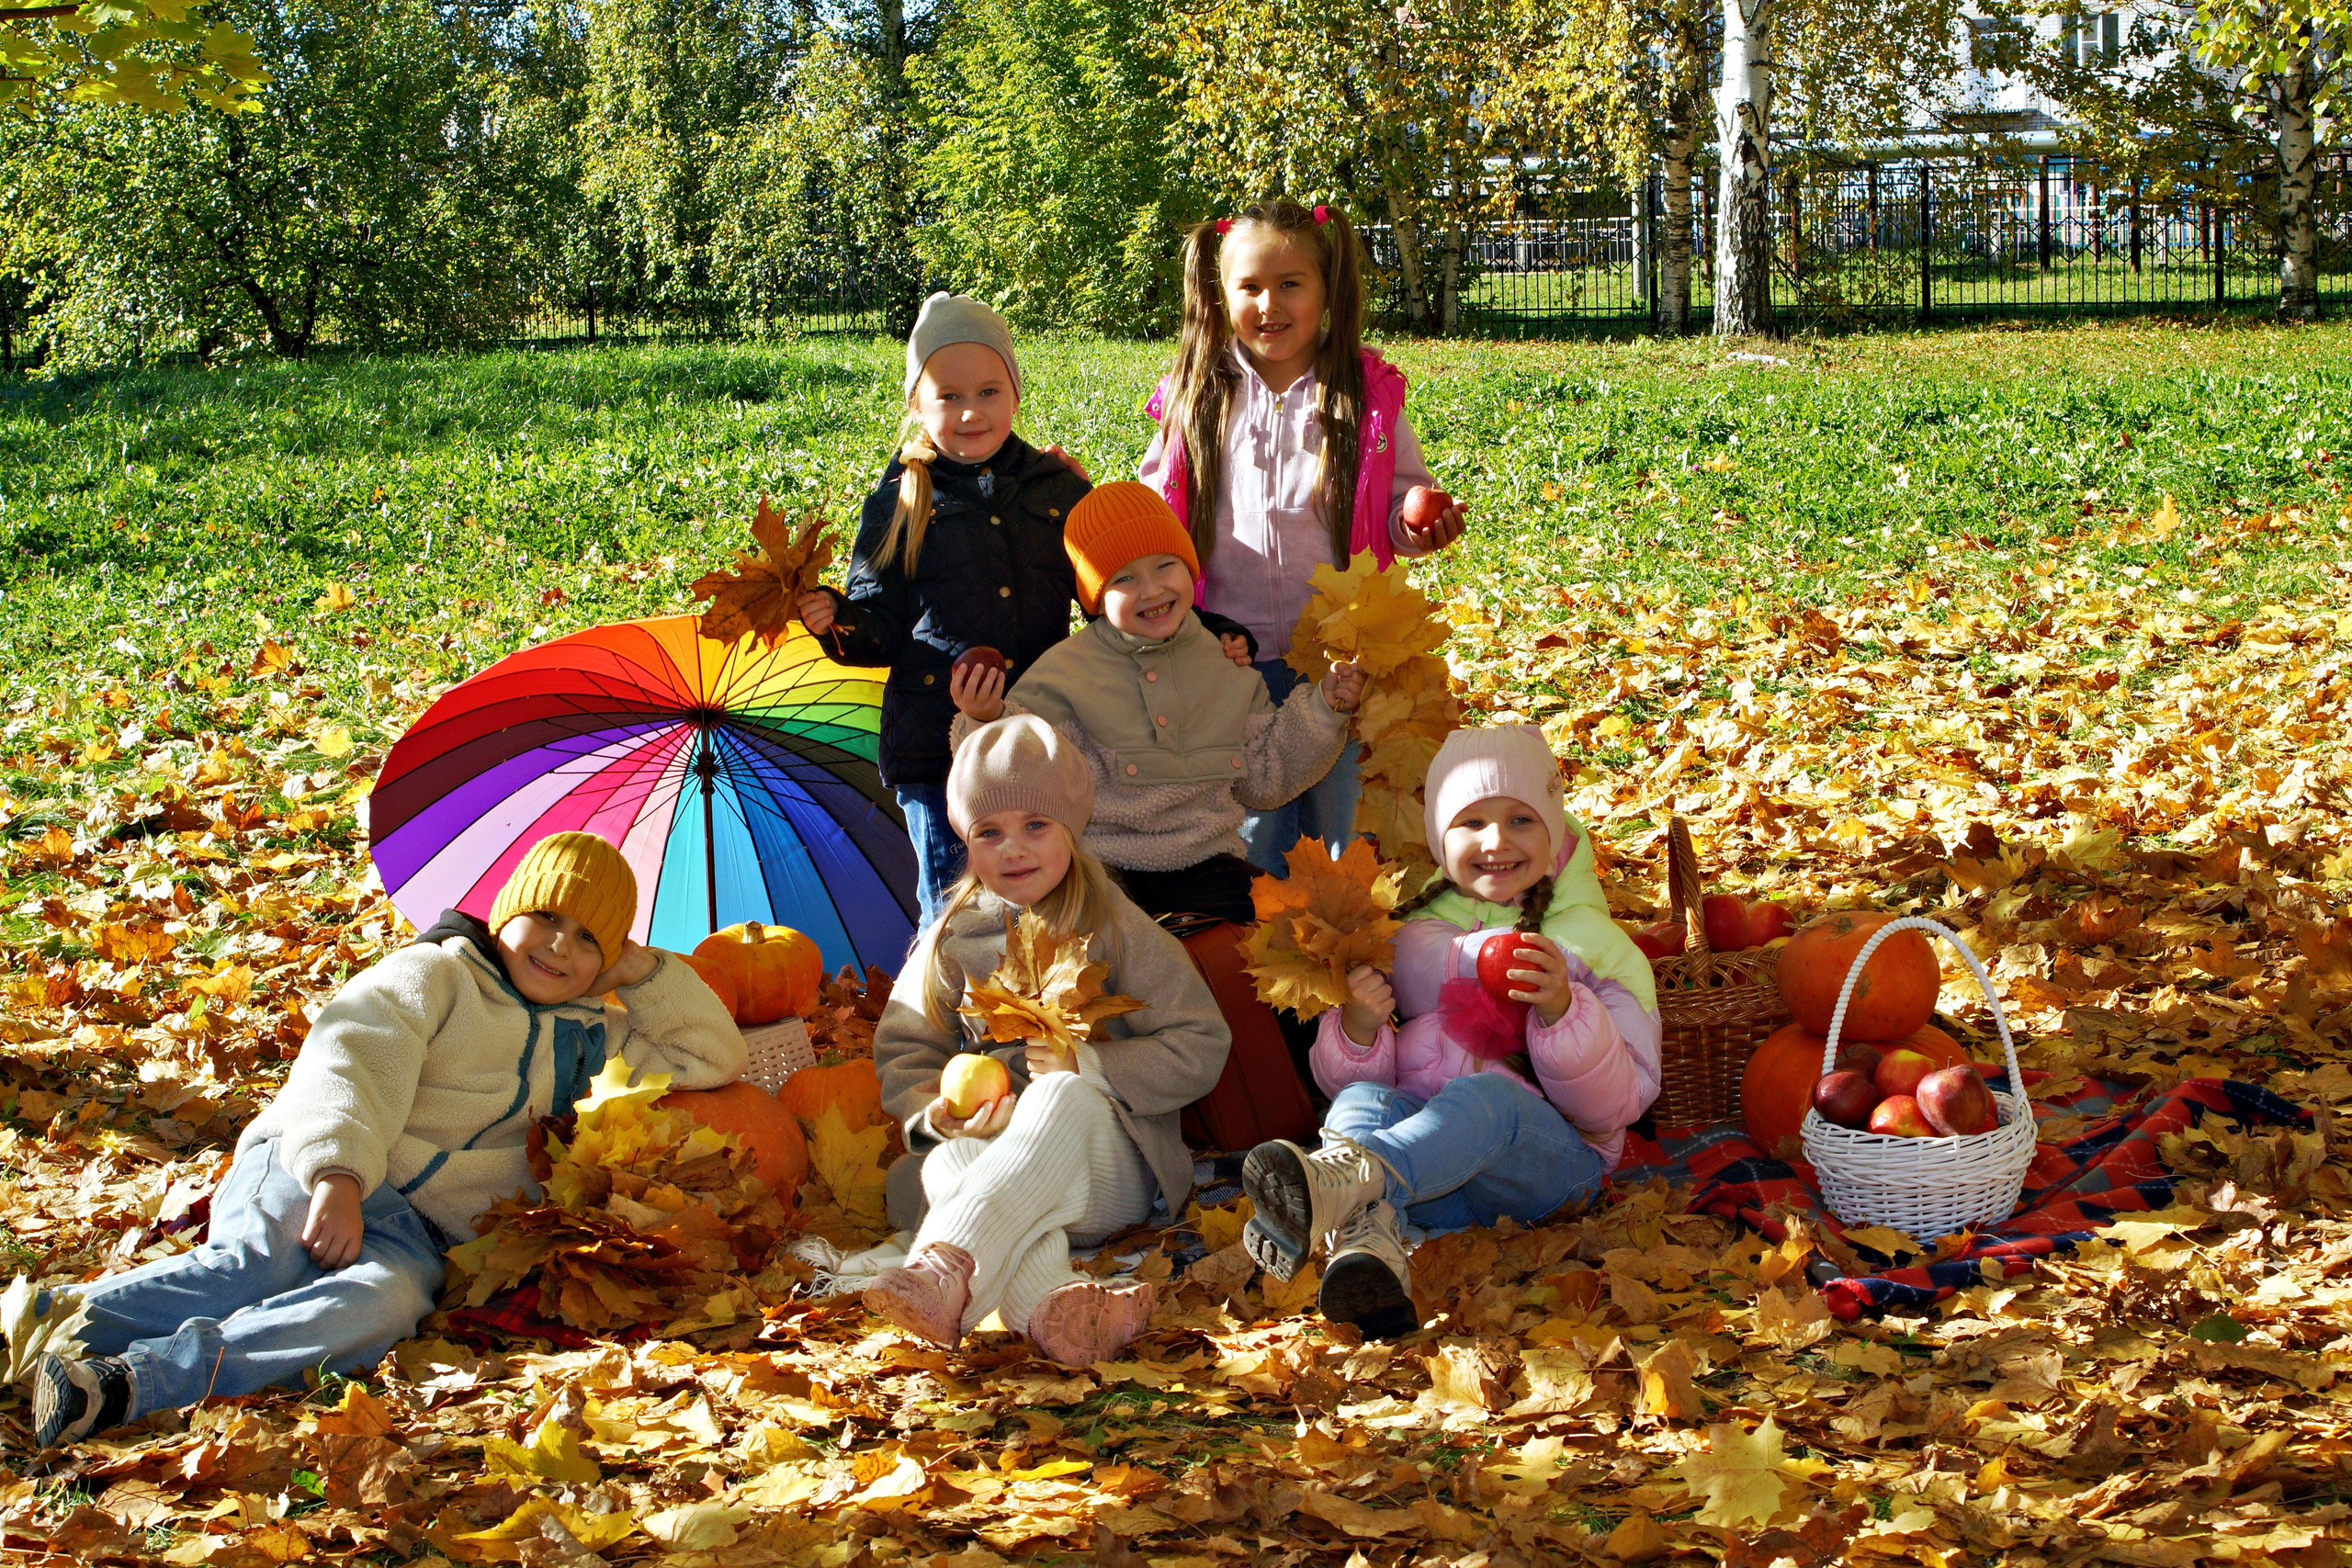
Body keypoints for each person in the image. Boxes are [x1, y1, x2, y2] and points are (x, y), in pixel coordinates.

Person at [30, 832, 745, 1448]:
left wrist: (646, 973)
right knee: (259, 1266)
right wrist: (338, 1175)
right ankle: (40, 1321)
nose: (560, 944)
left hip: (418, 1232)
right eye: (546, 915)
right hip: (316, 1163)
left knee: (383, 1306)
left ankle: (128, 1384)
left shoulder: (601, 1029)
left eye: (589, 936)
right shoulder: (437, 973)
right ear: (505, 912)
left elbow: (714, 1057)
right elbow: (354, 1057)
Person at [1238, 728, 1661, 1339]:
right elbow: (1364, 1083)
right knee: (1357, 1101)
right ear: (1440, 839)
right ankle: (1367, 1248)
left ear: (1554, 828)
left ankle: (1345, 1182)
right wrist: (1360, 1028)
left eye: (1521, 818)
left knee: (1485, 1099)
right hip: (1435, 1176)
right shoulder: (1410, 938)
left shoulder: (1595, 946)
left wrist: (1562, 1012)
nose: (1496, 841)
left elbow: (1621, 1102)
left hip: (1547, 1171)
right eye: (1471, 822)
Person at [865, 716, 1229, 1364]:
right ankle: (1054, 1308)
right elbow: (906, 1046)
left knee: (1059, 1093)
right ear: (965, 840)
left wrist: (1087, 1062)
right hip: (1007, 1165)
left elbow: (1200, 1040)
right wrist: (941, 1116)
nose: (1014, 849)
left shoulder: (1111, 920)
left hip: (1109, 1162)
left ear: (1071, 826)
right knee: (953, 1161)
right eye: (989, 832)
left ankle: (946, 1264)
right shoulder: (954, 935)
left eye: (1036, 825)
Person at [1139, 198, 1468, 875]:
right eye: (1250, 287)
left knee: (1347, 828)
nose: (1270, 303)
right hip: (1233, 661)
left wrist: (1413, 519)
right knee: (1255, 835)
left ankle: (1355, 959)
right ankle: (1264, 965)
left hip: (1344, 658)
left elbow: (1400, 494)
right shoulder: (1197, 397)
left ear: (1326, 290)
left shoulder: (1363, 395)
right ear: (1220, 293)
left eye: (1291, 284)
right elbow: (1152, 513)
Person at [797, 291, 1092, 922]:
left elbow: (1104, 595)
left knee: (1048, 900)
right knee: (957, 910)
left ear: (1015, 392)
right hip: (936, 750)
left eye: (988, 392)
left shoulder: (1057, 488)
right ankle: (957, 1019)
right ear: (918, 405)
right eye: (948, 396)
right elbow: (875, 629)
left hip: (1037, 735)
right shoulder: (900, 501)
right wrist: (838, 619)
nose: (970, 412)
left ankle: (1043, 1014)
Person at [949, 482, 1367, 926]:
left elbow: (1266, 777)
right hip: (1099, 869)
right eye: (1124, 579)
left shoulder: (1224, 663)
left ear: (1190, 569)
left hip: (1208, 862)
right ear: (1095, 596)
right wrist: (985, 718)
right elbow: (1017, 773)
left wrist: (1323, 709)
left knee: (1280, 937)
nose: (1150, 590)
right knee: (1091, 951)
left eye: (1165, 565)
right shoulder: (1063, 676)